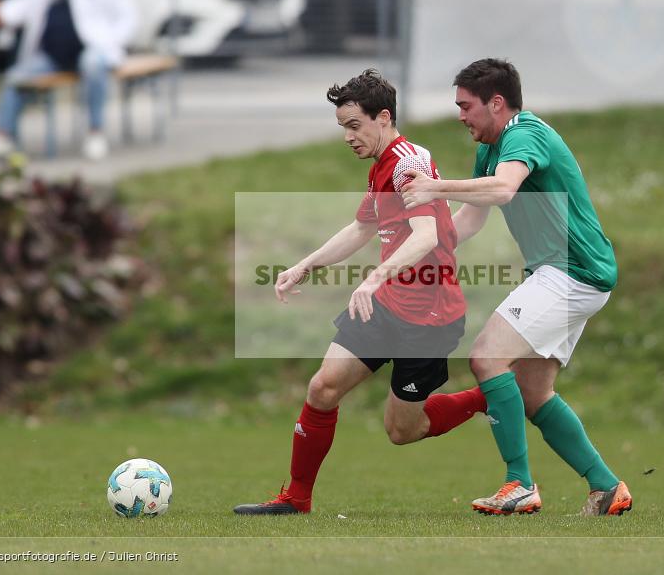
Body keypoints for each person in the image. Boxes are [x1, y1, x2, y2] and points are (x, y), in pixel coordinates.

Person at [233, 69, 486, 516]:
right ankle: (296, 498)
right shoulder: (380, 167)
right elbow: (362, 228)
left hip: (429, 315)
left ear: (383, 117)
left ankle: (493, 395)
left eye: (354, 125)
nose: (348, 137)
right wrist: (306, 265)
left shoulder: (408, 163)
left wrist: (373, 279)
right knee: (323, 388)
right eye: (342, 128)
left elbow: (425, 236)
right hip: (386, 306)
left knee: (402, 430)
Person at [401, 58, 632, 517]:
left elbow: (503, 190)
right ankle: (607, 487)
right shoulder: (491, 146)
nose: (460, 115)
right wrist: (419, 254)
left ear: (497, 103)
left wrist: (434, 188)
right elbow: (473, 216)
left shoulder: (524, 134)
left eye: (466, 106)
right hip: (571, 273)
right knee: (533, 393)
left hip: (572, 271)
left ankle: (518, 484)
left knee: (486, 357)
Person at [0, 0, 137, 160]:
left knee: (92, 64)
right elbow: (16, 8)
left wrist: (111, 43)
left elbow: (127, 18)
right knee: (16, 76)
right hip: (53, 58)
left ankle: (95, 131)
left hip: (92, 50)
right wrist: (0, 13)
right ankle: (2, 135)